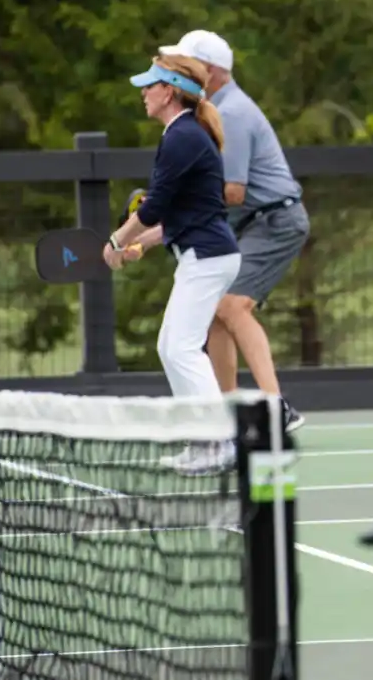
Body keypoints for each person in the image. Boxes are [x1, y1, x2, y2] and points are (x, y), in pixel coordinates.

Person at [157, 29, 309, 436]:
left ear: (208, 72)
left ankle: (276, 409)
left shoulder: (233, 113)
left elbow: (233, 192)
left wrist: (176, 204)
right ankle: (229, 413)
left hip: (276, 222)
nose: (175, 72)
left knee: (231, 308)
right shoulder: (211, 112)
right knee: (215, 315)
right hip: (254, 223)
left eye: (184, 64)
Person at [107, 53, 243, 475]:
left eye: (149, 86)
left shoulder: (182, 136)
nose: (143, 93)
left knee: (181, 348)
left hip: (209, 258)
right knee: (172, 347)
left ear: (168, 92)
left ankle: (219, 442)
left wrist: (116, 241)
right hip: (203, 254)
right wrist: (141, 245)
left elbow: (154, 208)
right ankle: (203, 440)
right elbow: (179, 215)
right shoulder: (182, 134)